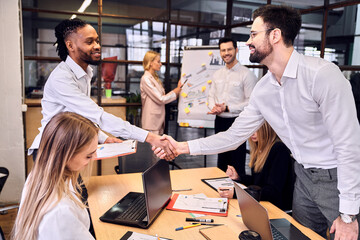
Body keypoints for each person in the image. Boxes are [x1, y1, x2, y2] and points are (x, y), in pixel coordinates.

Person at [158, 5, 360, 240]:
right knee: (301, 237)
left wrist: (348, 216)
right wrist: (182, 147)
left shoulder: (322, 75)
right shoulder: (264, 89)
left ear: (275, 35)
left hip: (336, 178)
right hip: (302, 177)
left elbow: (349, 146)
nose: (247, 42)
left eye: (253, 34)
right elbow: (233, 137)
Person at [28, 18, 176, 161]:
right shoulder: (62, 78)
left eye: (97, 41)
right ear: (70, 46)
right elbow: (97, 116)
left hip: (70, 148)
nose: (97, 46)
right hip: (52, 150)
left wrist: (104, 139)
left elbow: (84, 116)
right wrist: (150, 137)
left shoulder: (86, 73)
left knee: (79, 188)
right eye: (89, 41)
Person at [11, 112, 98, 240]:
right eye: (89, 155)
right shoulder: (60, 212)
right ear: (66, 155)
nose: (94, 158)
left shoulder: (36, 178)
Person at [207, 37, 257, 175]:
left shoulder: (247, 74)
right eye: (223, 50)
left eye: (229, 49)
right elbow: (211, 96)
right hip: (220, 121)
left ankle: (236, 192)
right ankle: (221, 190)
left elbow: (251, 101)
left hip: (237, 121)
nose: (226, 53)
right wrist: (214, 108)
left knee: (236, 161)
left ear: (236, 50)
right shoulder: (217, 74)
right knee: (221, 160)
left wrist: (228, 108)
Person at [218, 122, 294, 211]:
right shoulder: (260, 148)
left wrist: (236, 193)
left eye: (257, 130)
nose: (252, 134)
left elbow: (272, 192)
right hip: (263, 203)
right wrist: (239, 177)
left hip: (277, 208)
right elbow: (258, 182)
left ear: (266, 130)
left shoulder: (279, 149)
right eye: (251, 130)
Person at [140, 50, 182, 135]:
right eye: (158, 61)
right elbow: (161, 99)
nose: (161, 64)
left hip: (157, 120)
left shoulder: (154, 78)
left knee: (158, 147)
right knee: (155, 147)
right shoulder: (146, 79)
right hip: (151, 122)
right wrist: (176, 91)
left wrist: (177, 91)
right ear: (150, 63)